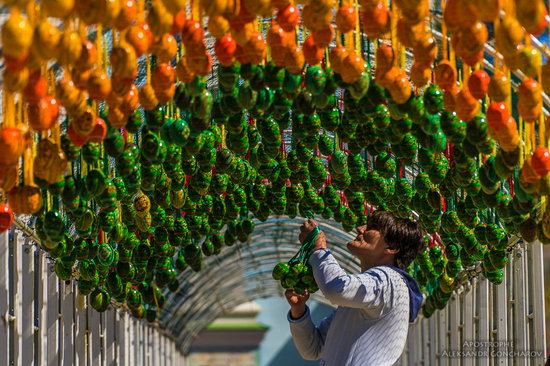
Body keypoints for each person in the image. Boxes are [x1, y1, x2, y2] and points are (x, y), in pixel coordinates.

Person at [285, 210, 424, 366]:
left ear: (392, 247)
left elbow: (336, 287)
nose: (360, 228)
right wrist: (299, 312)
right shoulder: (362, 298)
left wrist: (318, 248)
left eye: (373, 227)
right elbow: (313, 349)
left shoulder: (390, 281)